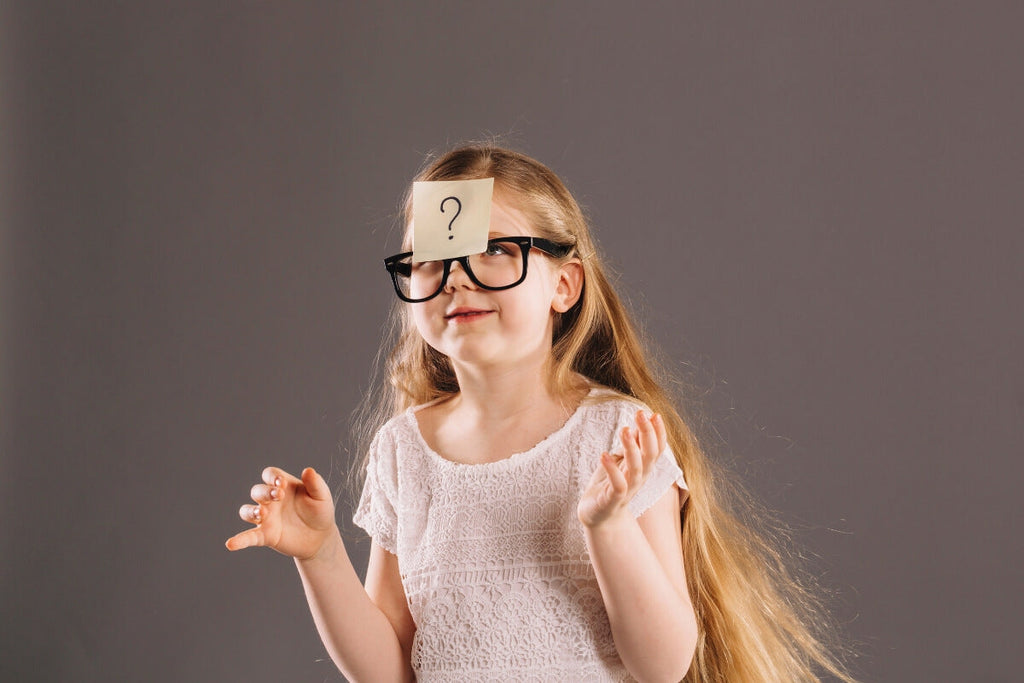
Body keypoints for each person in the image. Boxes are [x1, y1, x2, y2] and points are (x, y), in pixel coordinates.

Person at [226, 145, 853, 682]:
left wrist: (607, 526)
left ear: (565, 285)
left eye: (494, 249)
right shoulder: (401, 450)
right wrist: (322, 555)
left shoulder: (617, 434)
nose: (456, 279)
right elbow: (391, 669)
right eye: (431, 259)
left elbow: (661, 664)